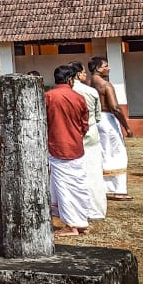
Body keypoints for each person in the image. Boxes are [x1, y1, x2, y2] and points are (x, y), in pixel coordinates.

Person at [45, 65, 93, 236]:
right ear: (70, 79)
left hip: (56, 146)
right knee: (79, 185)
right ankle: (82, 222)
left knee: (64, 187)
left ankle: (72, 225)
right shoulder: (79, 97)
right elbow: (84, 124)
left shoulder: (48, 96)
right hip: (75, 146)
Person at [90, 56, 133, 201]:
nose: (109, 68)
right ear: (98, 68)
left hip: (95, 121)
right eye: (105, 66)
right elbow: (115, 107)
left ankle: (101, 188)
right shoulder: (105, 85)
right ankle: (119, 190)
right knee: (117, 153)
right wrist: (126, 127)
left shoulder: (87, 84)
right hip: (108, 120)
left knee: (101, 152)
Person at [70, 61, 106, 221]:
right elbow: (98, 117)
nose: (86, 75)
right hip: (90, 134)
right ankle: (96, 210)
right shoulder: (91, 91)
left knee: (73, 175)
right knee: (94, 174)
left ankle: (77, 209)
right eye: (83, 73)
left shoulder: (67, 92)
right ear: (78, 74)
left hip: (72, 136)